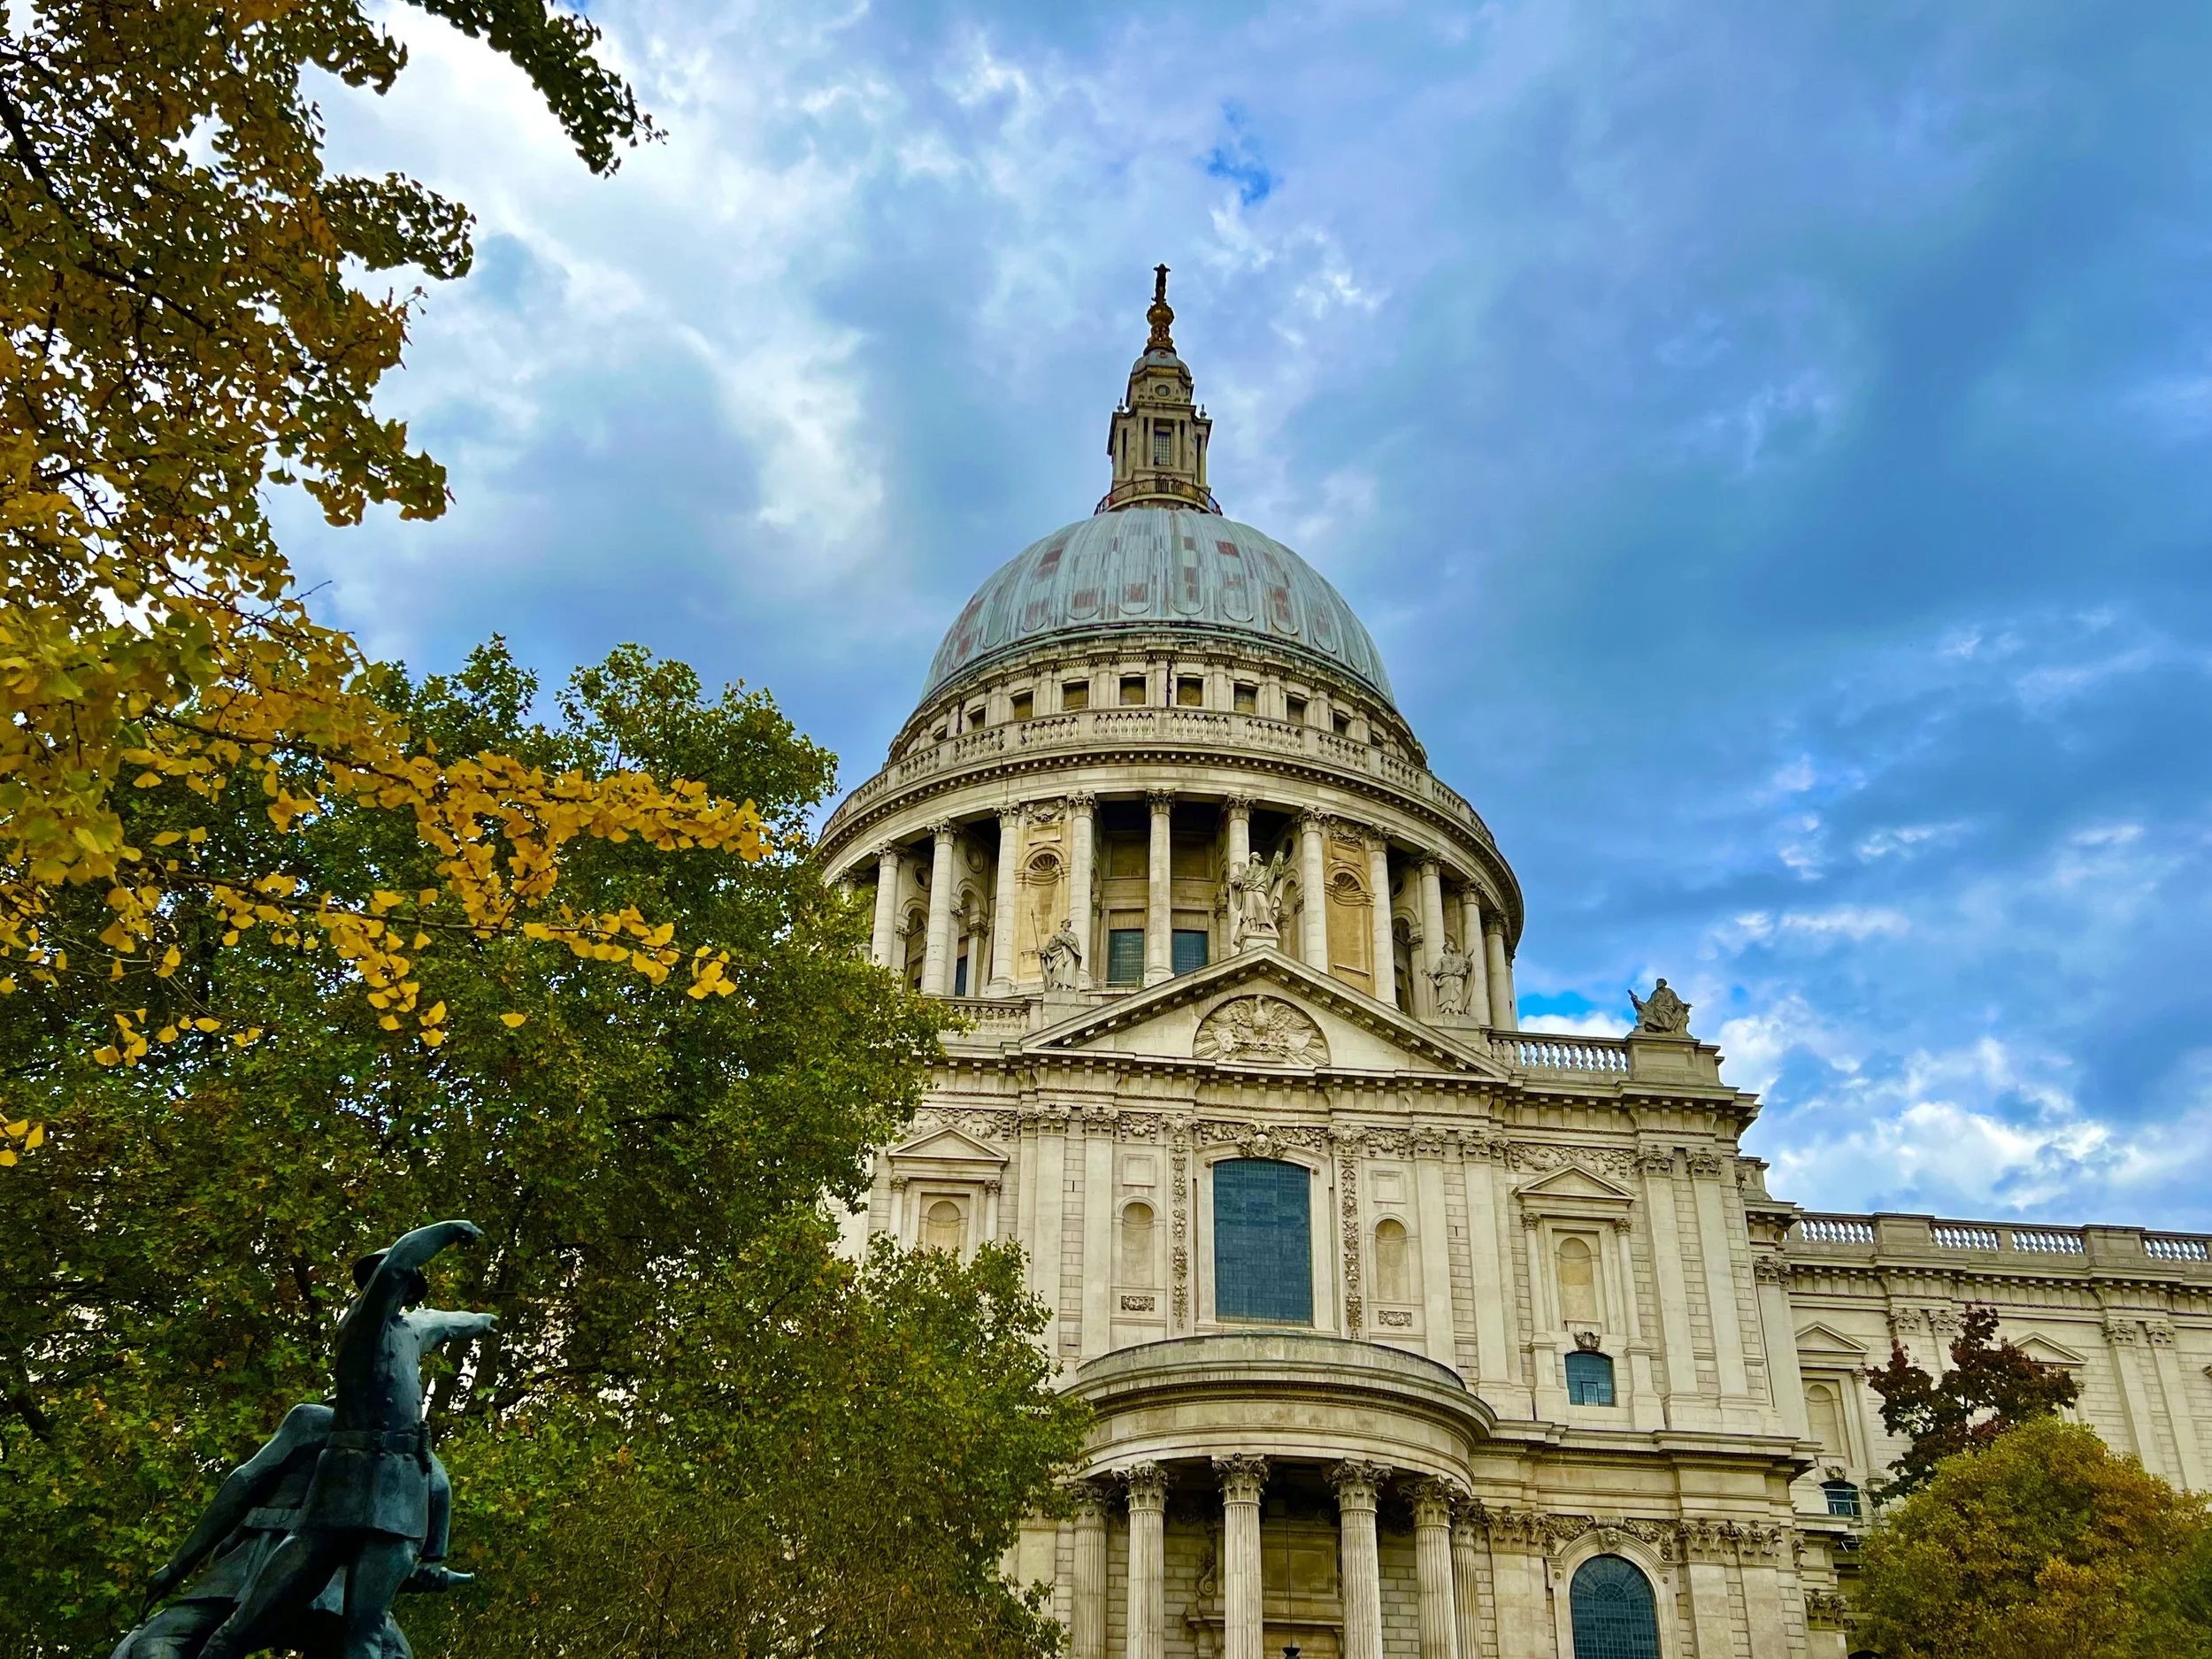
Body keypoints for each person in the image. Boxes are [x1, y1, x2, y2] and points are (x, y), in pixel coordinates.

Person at [199, 1221, 492, 1659]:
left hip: (398, 1498)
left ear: (411, 1292)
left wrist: (482, 1321)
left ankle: (431, 1562)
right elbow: (398, 1262)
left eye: (401, 1282)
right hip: (341, 1491)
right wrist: (449, 1231)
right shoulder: (362, 1322)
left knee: (366, 1634)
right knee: (246, 1624)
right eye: (383, 1277)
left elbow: (444, 1324)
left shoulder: (410, 1331)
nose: (391, 1284)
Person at [111, 1400, 467, 1658]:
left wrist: (177, 1566)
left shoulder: (313, 1421)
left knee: (155, 1642)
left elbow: (244, 1482)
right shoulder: (405, 1452)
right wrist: (432, 1558)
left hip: (253, 1577)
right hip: (316, 1591)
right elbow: (436, 1490)